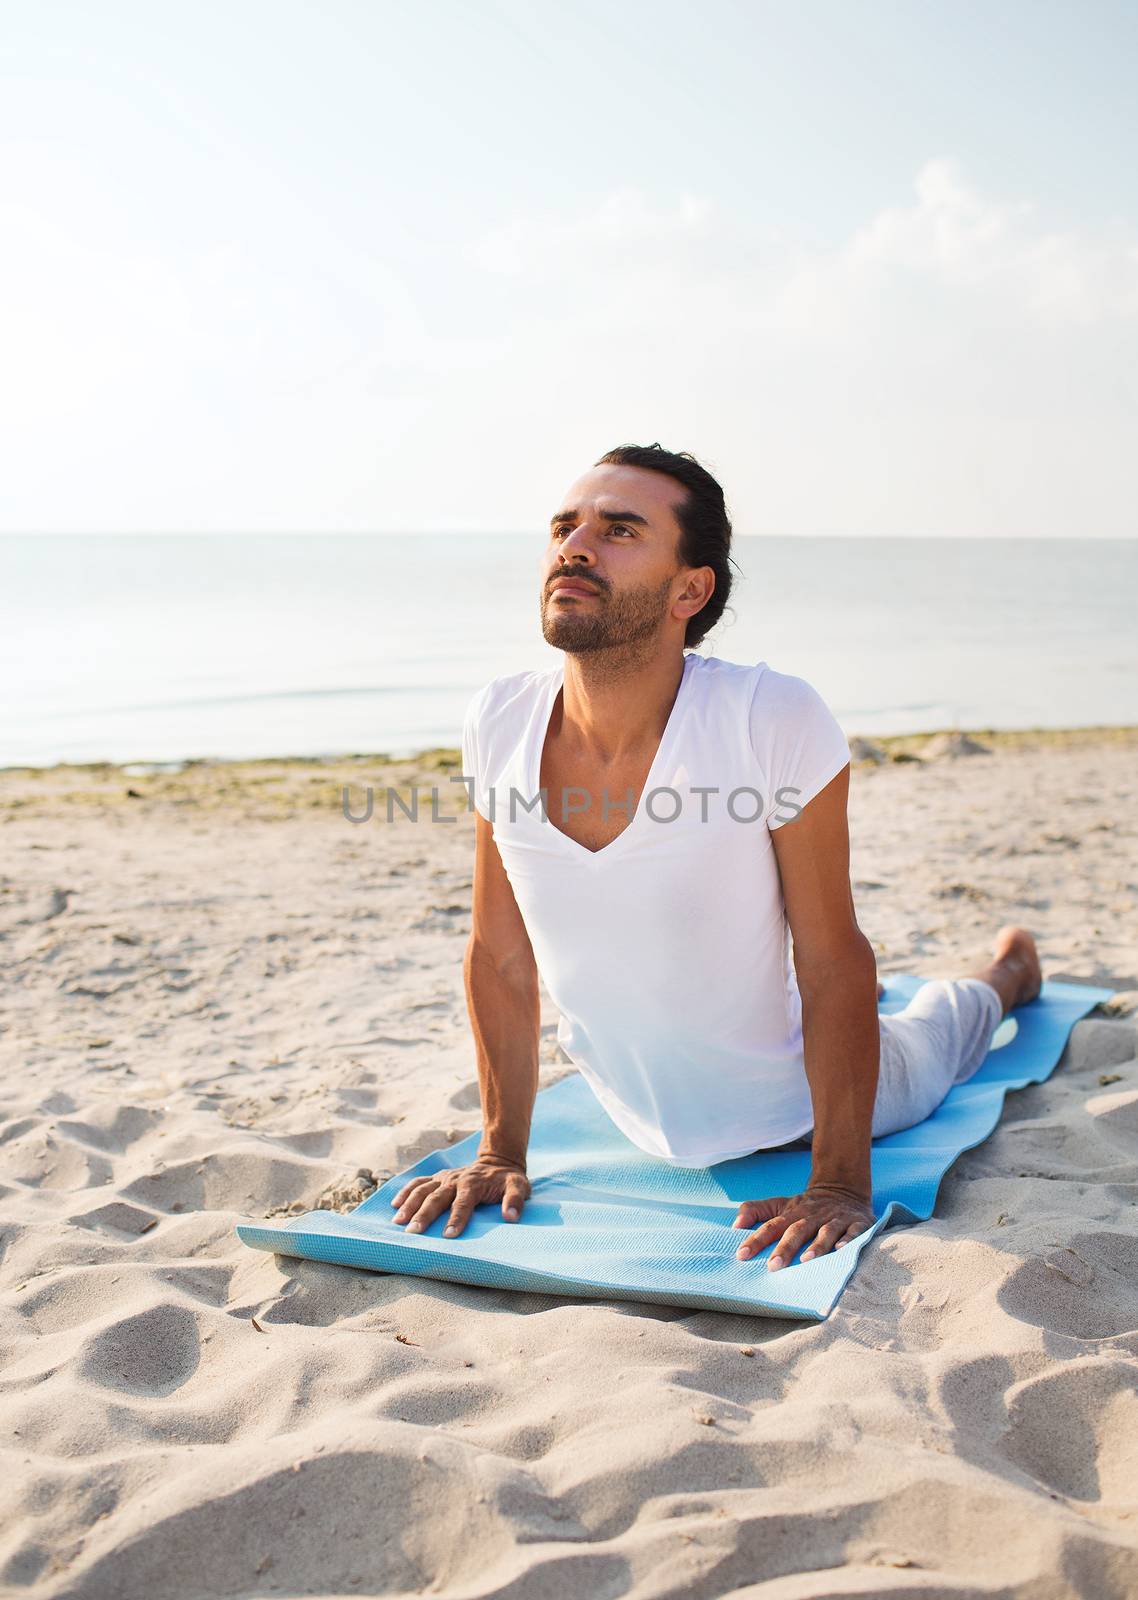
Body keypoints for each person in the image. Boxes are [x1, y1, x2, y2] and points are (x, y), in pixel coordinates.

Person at [391, 443, 1043, 1271]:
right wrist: (498, 1152)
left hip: (800, 1107)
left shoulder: (767, 717)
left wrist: (839, 1184)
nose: (576, 546)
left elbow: (833, 954)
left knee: (943, 1032)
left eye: (619, 530)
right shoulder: (499, 719)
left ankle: (1008, 974)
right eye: (565, 526)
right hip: (632, 1113)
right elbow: (499, 955)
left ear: (689, 589)